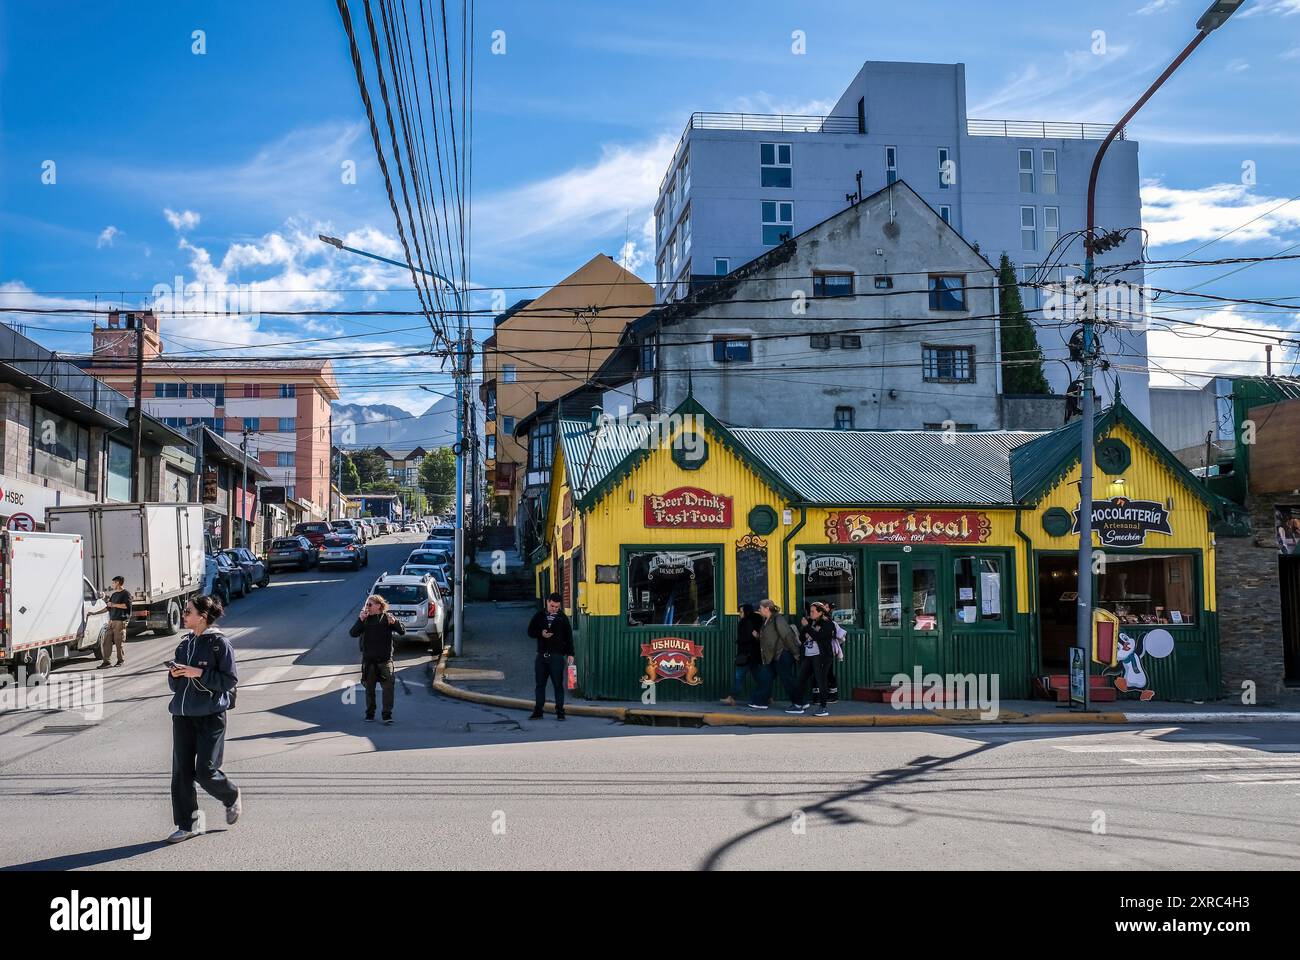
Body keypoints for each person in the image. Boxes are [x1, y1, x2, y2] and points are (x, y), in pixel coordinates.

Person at [166, 595, 240, 844]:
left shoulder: (220, 644)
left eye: (188, 611)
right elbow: (175, 686)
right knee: (181, 773)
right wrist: (176, 674)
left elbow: (229, 681)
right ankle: (188, 824)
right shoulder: (184, 644)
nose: (184, 615)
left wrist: (199, 672)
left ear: (203, 617)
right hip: (182, 715)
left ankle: (230, 795)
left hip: (211, 716)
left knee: (206, 772)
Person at [350, 594, 405, 724]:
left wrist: (395, 622)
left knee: (388, 689)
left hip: (385, 661)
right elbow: (353, 633)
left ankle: (387, 715)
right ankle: (370, 713)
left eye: (370, 604)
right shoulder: (365, 619)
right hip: (369, 662)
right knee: (369, 689)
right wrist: (360, 620)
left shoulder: (387, 618)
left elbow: (402, 631)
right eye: (366, 605)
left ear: (379, 606)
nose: (367, 607)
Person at [527, 592, 574, 720]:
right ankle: (538, 711)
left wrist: (571, 654)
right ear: (548, 602)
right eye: (552, 606)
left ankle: (560, 711)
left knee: (558, 685)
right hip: (541, 656)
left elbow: (569, 637)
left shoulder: (562, 618)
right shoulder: (540, 615)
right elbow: (530, 631)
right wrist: (540, 633)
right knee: (540, 684)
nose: (554, 609)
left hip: (557, 656)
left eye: (557, 607)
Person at [752, 599, 800, 709]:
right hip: (772, 657)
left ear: (767, 608)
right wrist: (758, 637)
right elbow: (770, 637)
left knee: (787, 679)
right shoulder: (767, 621)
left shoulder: (778, 619)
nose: (759, 610)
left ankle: (799, 703)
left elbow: (787, 636)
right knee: (765, 677)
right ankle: (760, 701)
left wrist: (796, 653)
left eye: (760, 608)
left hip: (781, 654)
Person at [789, 601, 835, 716]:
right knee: (800, 679)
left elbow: (819, 636)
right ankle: (798, 704)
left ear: (820, 612)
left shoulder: (827, 623)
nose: (811, 613)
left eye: (813, 611)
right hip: (809, 655)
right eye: (810, 611)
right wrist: (806, 630)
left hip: (821, 657)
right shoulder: (811, 622)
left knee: (821, 681)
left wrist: (807, 627)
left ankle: (823, 707)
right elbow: (802, 637)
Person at [721, 603, 764, 706]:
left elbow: (747, 639)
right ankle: (767, 696)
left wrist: (739, 642)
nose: (739, 614)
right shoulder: (756, 621)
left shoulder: (746, 622)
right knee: (759, 678)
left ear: (746, 612)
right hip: (754, 656)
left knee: (739, 677)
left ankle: (731, 698)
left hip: (746, 655)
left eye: (741, 612)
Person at [100, 575, 131, 668]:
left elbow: (126, 606)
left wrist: (113, 604)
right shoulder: (114, 595)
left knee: (118, 642)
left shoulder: (126, 594)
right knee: (106, 641)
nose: (112, 585)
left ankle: (120, 660)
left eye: (113, 583)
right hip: (112, 621)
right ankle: (106, 662)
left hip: (120, 621)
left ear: (117, 583)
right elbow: (108, 608)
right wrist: (94, 613)